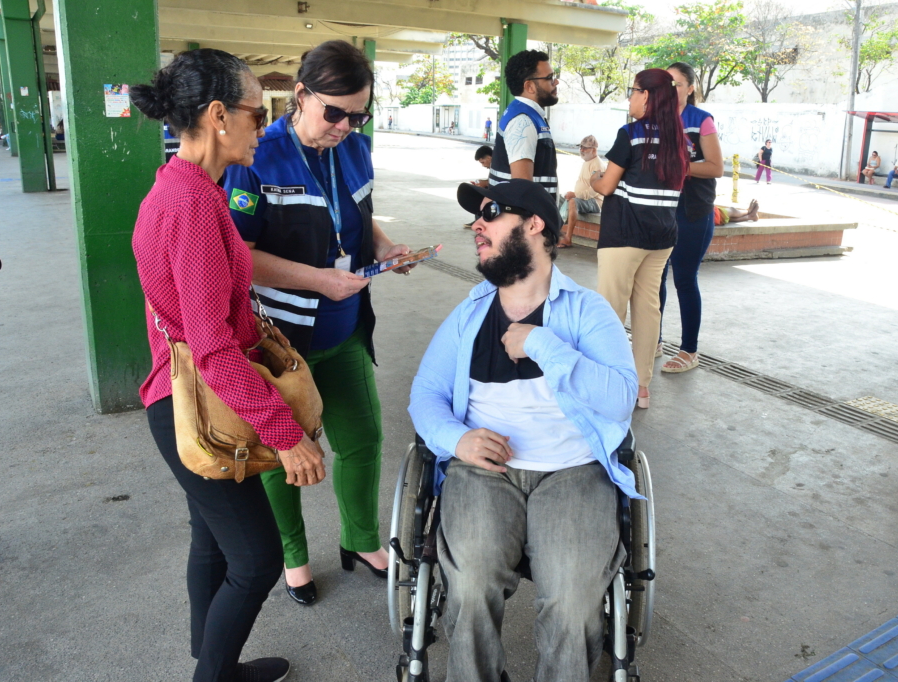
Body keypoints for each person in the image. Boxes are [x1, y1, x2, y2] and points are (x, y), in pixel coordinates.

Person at [131, 48, 326, 682]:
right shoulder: (192, 205)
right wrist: (285, 433)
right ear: (218, 116)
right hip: (196, 406)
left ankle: (215, 664)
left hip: (186, 398)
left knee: (212, 540)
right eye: (257, 113)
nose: (265, 126)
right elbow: (213, 347)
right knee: (257, 560)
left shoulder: (186, 188)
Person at [409, 178, 639, 682]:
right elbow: (425, 393)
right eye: (477, 216)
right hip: (483, 472)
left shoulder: (587, 311)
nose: (477, 224)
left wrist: (542, 344)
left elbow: (622, 398)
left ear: (535, 225)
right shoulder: (471, 313)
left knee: (574, 601)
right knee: (470, 587)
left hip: (573, 471)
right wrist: (457, 439)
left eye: (491, 213)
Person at [223, 40, 413, 607]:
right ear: (301, 95)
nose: (345, 126)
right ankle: (293, 555)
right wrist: (316, 280)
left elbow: (359, 216)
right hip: (282, 341)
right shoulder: (258, 155)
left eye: (359, 115)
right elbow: (239, 255)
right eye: (335, 113)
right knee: (282, 455)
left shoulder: (355, 148)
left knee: (363, 441)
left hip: (345, 327)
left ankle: (361, 539)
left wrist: (385, 246)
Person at [589, 68, 691, 409]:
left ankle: (608, 385)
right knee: (648, 310)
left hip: (624, 234)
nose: (630, 98)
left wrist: (594, 176)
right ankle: (641, 388)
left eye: (632, 91)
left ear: (646, 95)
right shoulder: (679, 139)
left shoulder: (631, 134)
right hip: (662, 236)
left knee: (610, 310)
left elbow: (606, 186)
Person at [655, 61, 724, 374]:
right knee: (654, 277)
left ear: (691, 88)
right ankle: (653, 340)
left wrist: (677, 166)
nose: (671, 90)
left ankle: (689, 350)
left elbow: (715, 167)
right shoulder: (654, 119)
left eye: (677, 84)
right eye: (666, 84)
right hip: (659, 209)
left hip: (692, 210)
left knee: (684, 278)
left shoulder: (700, 120)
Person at [488, 50, 559, 198]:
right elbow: (522, 188)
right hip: (530, 212)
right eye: (549, 78)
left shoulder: (525, 113)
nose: (556, 82)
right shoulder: (523, 120)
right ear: (529, 86)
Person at [558, 135, 604, 248]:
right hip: (582, 198)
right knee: (556, 199)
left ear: (594, 150)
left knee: (573, 202)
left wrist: (576, 195)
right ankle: (555, 234)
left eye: (585, 148)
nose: (582, 150)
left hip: (595, 201)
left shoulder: (597, 165)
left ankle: (568, 238)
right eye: (581, 147)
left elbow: (595, 190)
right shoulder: (587, 161)